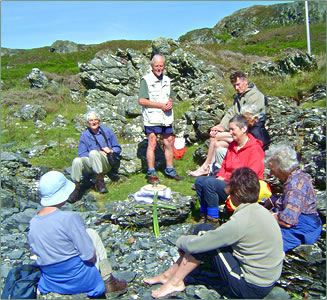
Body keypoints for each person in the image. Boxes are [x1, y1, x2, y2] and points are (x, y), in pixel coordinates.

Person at [144, 167, 284, 299]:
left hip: (250, 287)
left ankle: (175, 282)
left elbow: (197, 246)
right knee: (203, 229)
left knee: (204, 241)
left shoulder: (240, 221)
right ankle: (168, 275)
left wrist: (181, 241)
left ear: (235, 193)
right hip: (267, 280)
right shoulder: (261, 212)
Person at [28, 171, 127, 297]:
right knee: (91, 233)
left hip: (51, 282)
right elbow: (89, 256)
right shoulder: (70, 218)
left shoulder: (34, 223)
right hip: (79, 280)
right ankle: (108, 280)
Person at [190, 71, 265, 177]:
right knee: (218, 144)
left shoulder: (255, 96)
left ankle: (206, 167)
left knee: (215, 136)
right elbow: (231, 112)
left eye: (238, 85)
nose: (237, 88)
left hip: (249, 133)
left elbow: (246, 118)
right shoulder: (239, 96)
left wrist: (225, 128)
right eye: (234, 86)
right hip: (241, 130)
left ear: (245, 81)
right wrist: (221, 126)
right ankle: (215, 173)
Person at [195, 115, 264, 225]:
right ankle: (204, 214)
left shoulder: (255, 149)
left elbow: (250, 176)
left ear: (244, 129)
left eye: (232, 129)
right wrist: (220, 175)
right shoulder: (233, 145)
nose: (230, 132)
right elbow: (224, 165)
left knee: (209, 183)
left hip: (242, 187)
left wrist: (225, 178)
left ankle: (213, 220)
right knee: (199, 181)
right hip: (228, 182)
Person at [264, 144, 322, 252]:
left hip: (304, 226)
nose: (271, 174)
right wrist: (275, 202)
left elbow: (287, 221)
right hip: (301, 219)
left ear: (282, 168)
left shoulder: (295, 185)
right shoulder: (297, 176)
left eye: (272, 169)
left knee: (263, 241)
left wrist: (268, 214)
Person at [138, 54, 184, 183]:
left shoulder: (167, 80)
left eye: (161, 66)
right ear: (152, 66)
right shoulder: (146, 80)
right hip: (152, 117)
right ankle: (151, 173)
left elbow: (171, 96)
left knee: (168, 142)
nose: (159, 68)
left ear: (164, 66)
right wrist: (160, 106)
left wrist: (170, 102)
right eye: (157, 66)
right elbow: (141, 101)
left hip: (166, 118)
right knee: (152, 143)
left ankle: (170, 170)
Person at [70, 111, 121, 198]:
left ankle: (100, 181)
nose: (93, 122)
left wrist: (110, 150)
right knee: (77, 160)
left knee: (93, 153)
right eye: (91, 120)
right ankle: (76, 187)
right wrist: (94, 153)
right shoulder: (85, 135)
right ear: (87, 123)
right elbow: (81, 153)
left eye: (95, 120)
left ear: (99, 121)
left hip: (105, 162)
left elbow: (118, 148)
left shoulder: (107, 131)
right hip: (91, 162)